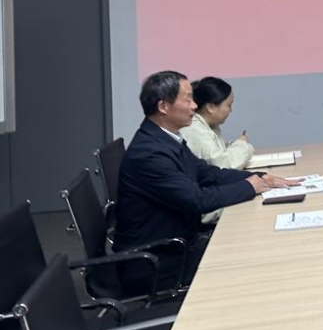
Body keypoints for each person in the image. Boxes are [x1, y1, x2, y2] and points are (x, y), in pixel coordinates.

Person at [114, 71, 296, 294]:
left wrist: (258, 177)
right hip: (157, 263)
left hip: (178, 245)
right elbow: (197, 200)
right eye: (187, 99)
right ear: (163, 107)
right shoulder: (150, 154)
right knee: (253, 258)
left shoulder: (165, 139)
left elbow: (208, 174)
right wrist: (249, 186)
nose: (194, 106)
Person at [184, 77, 255, 169]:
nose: (230, 110)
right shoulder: (194, 130)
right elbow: (221, 166)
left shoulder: (210, 126)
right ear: (210, 107)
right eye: (228, 105)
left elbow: (217, 154)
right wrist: (242, 145)